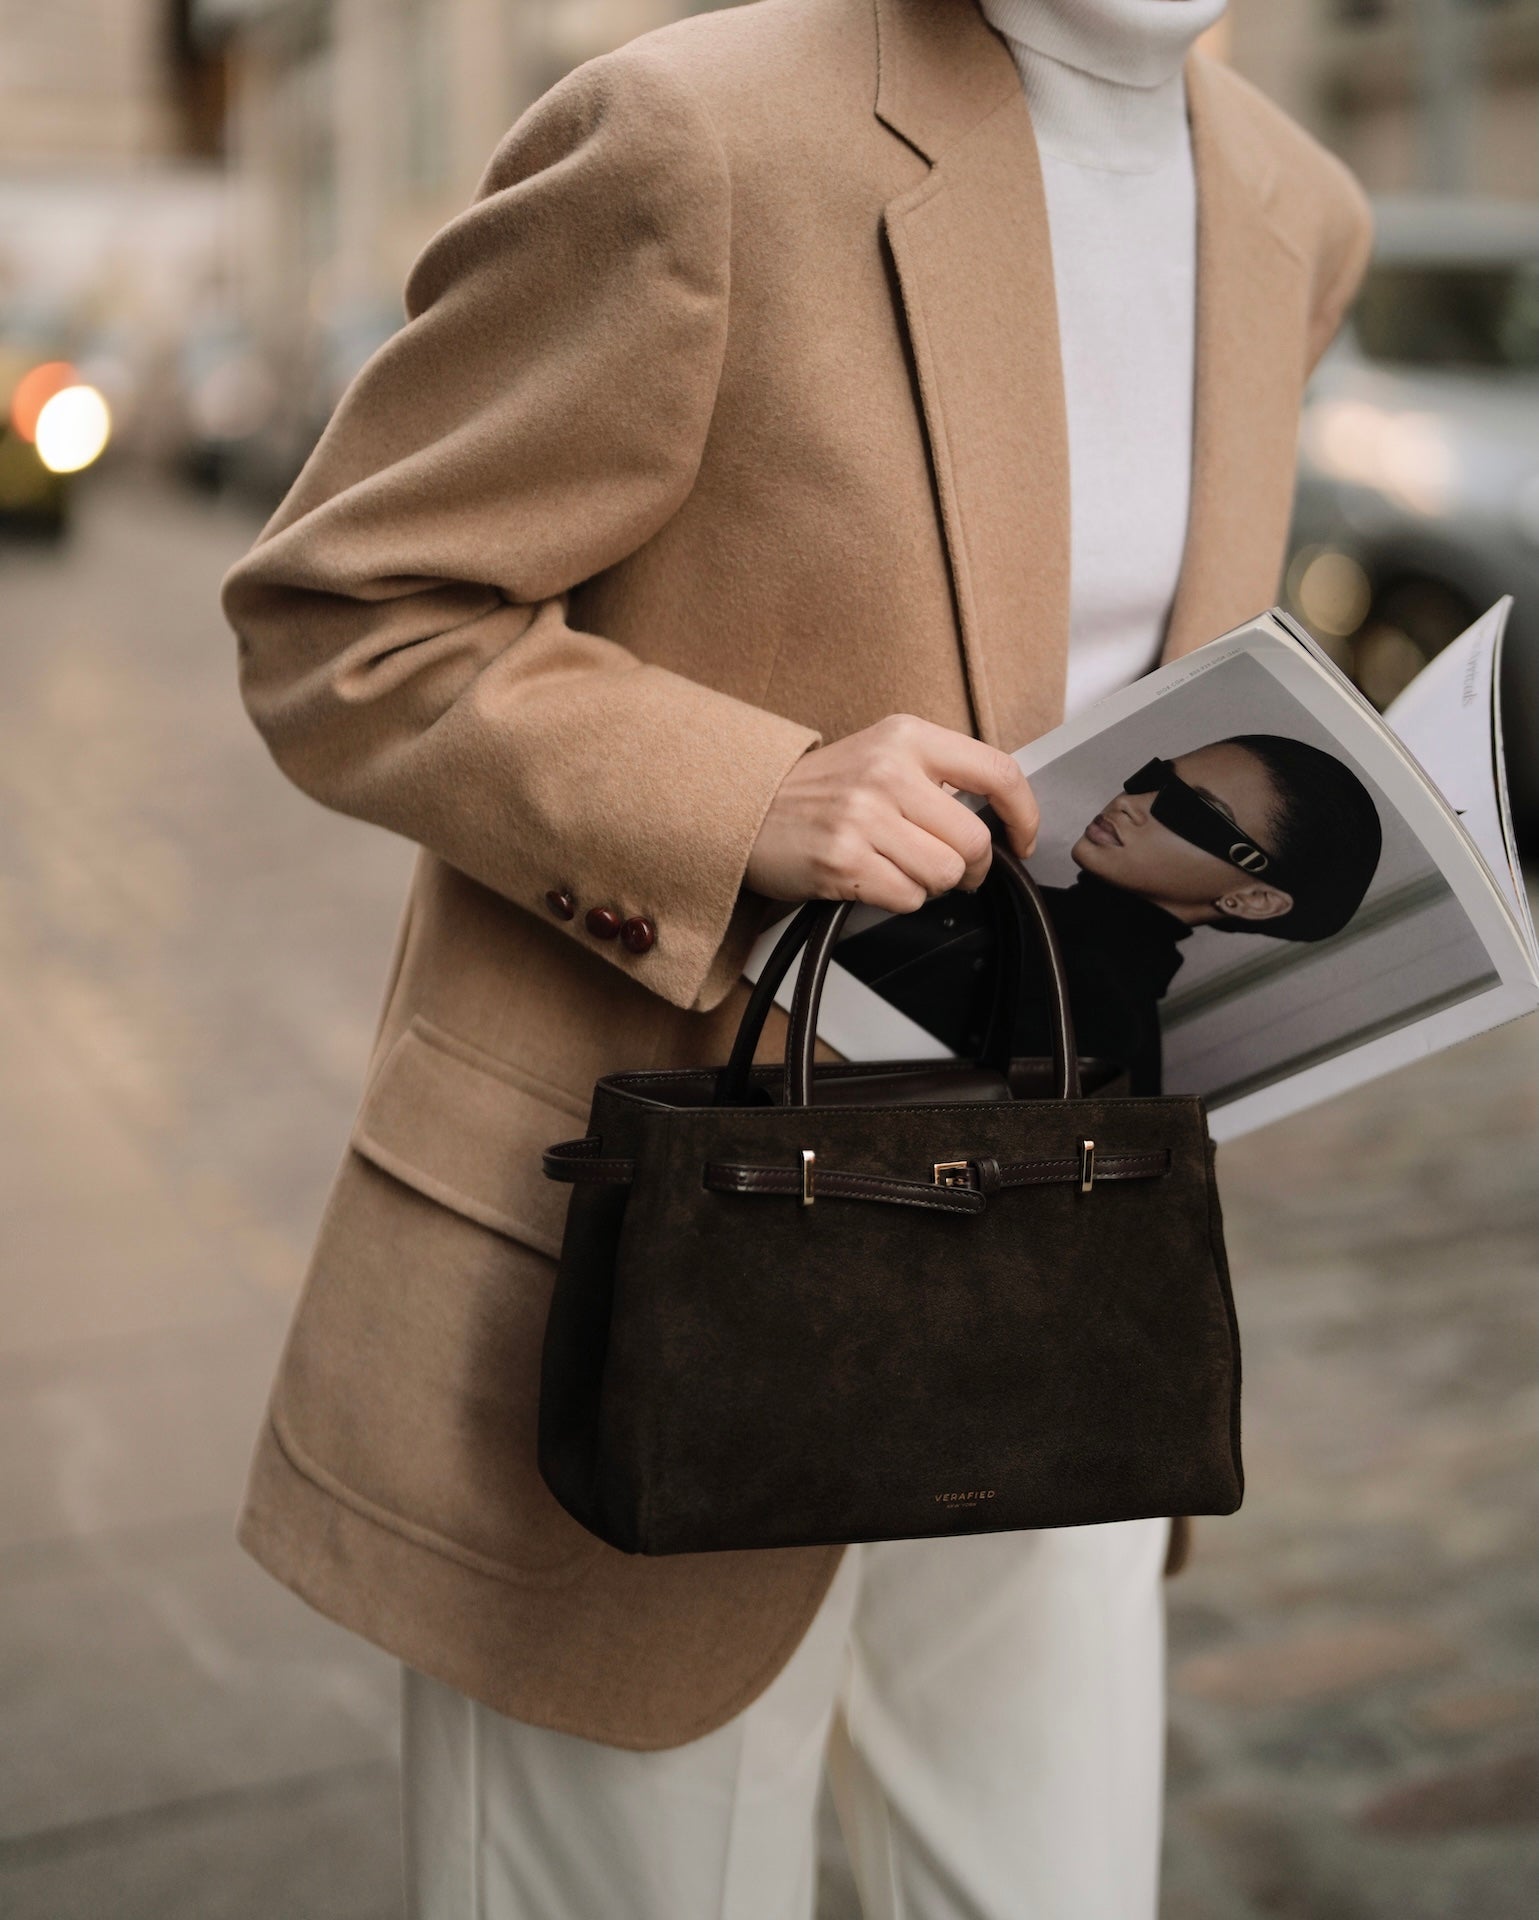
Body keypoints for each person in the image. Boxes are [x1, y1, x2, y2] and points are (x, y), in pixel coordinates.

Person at [220, 2, 1373, 1914]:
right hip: (664, 1250)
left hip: (1066, 1258)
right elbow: (340, 624)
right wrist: (740, 795)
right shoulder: (690, 136)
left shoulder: (1290, 205)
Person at [838, 733, 1385, 1093]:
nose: (1133, 802)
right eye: (1154, 778)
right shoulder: (1017, 901)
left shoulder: (1102, 1020)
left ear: (1253, 898)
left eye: (1193, 813)